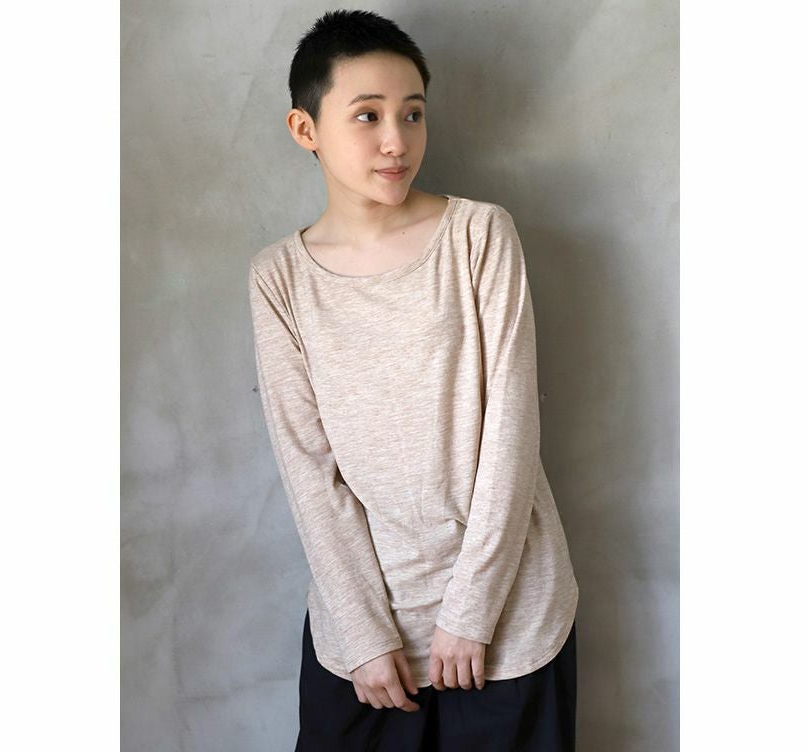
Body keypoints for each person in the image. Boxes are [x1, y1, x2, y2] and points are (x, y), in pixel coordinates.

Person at [248, 9, 580, 751]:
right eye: (367, 116)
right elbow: (308, 468)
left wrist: (472, 610)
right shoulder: (279, 279)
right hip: (367, 638)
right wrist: (364, 633)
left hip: (509, 621)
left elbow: (512, 429)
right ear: (306, 129)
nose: (397, 140)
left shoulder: (479, 236)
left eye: (413, 113)